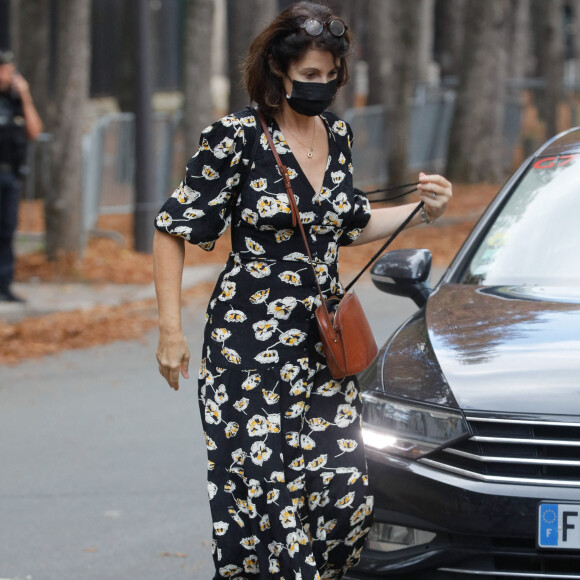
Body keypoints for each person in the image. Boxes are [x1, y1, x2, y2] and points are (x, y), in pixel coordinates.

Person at [153, 2, 452, 578]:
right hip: (247, 351)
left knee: (345, 503)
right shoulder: (235, 138)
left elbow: (348, 223)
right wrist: (170, 331)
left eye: (329, 75)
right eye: (308, 76)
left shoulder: (337, 137)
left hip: (322, 350)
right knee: (274, 511)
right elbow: (174, 228)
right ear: (279, 72)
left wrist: (421, 210)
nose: (320, 86)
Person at [0, 49, 43, 302]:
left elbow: (35, 131)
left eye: (10, 70)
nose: (8, 75)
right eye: (4, 69)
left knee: (6, 231)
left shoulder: (16, 101)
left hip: (10, 176)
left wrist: (25, 95)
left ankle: (4, 285)